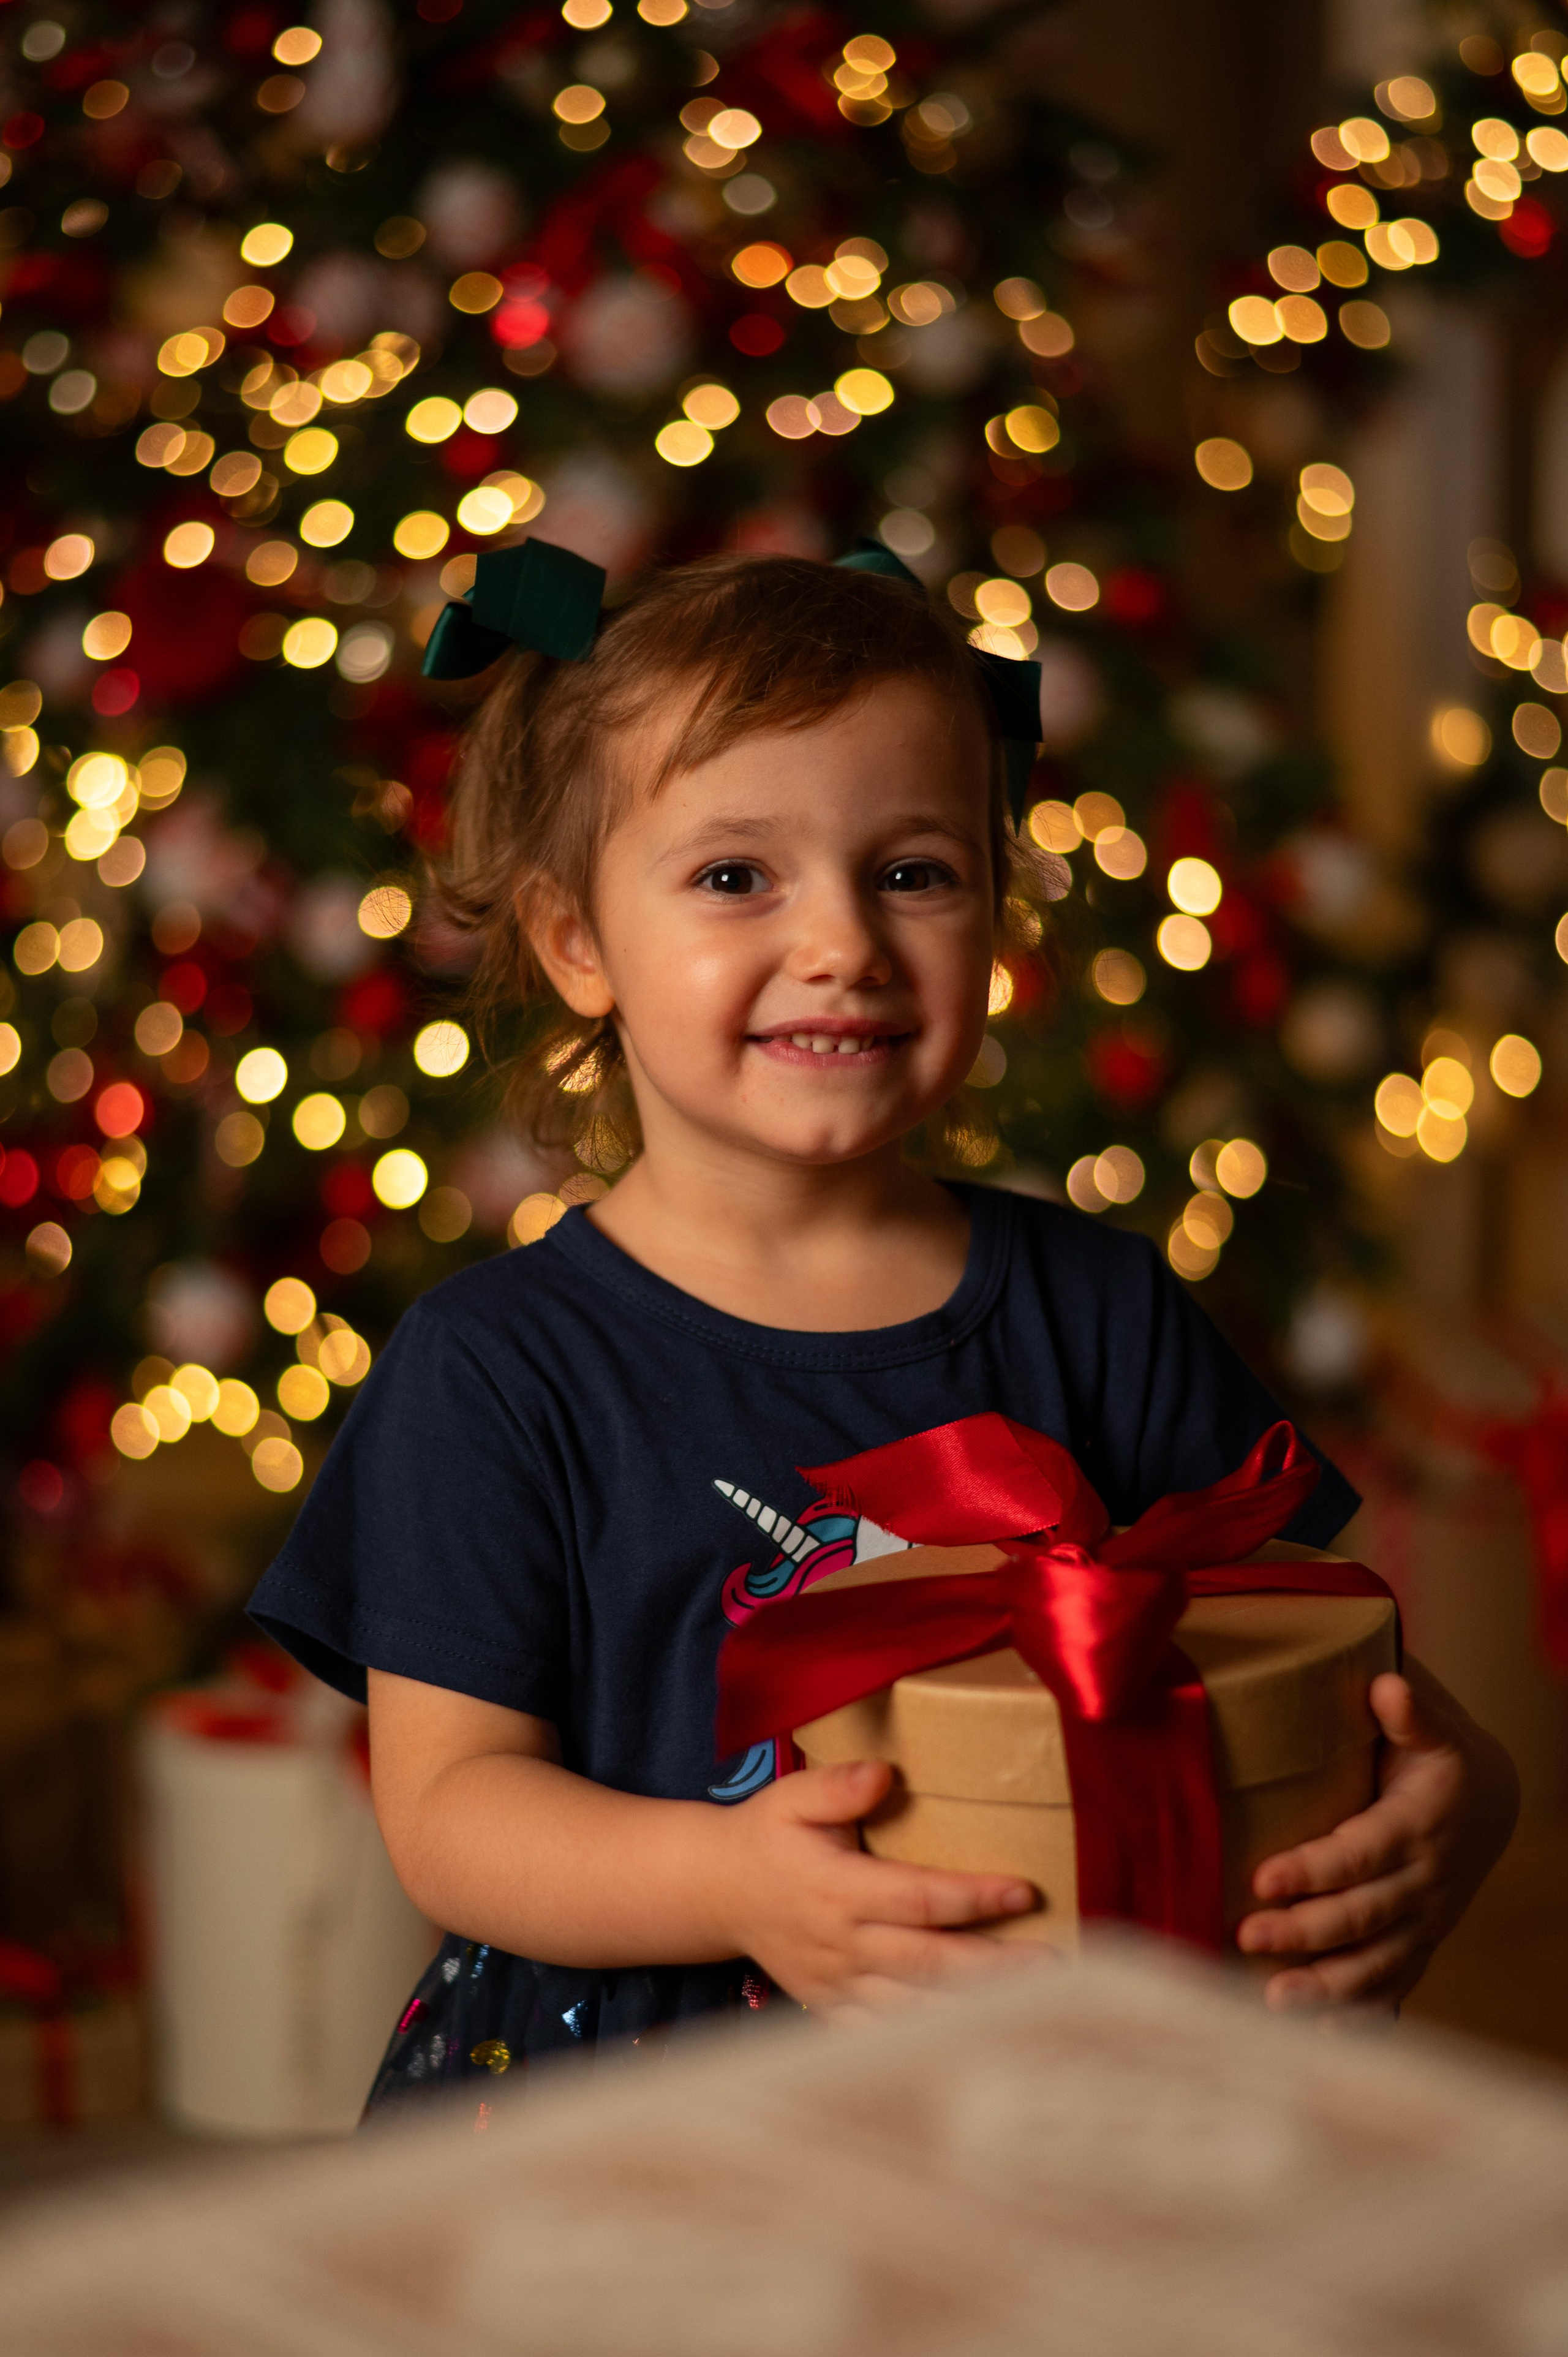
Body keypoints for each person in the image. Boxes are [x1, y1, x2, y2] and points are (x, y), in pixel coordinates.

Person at [249, 541, 1518, 2118]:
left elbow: (1323, 1652)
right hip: (627, 2120)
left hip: (1030, 2089)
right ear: (577, 942)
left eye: (912, 870)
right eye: (734, 877)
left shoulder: (1095, 1307)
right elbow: (450, 1809)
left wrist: (1457, 1793)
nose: (843, 939)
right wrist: (733, 1881)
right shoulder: (498, 1368)